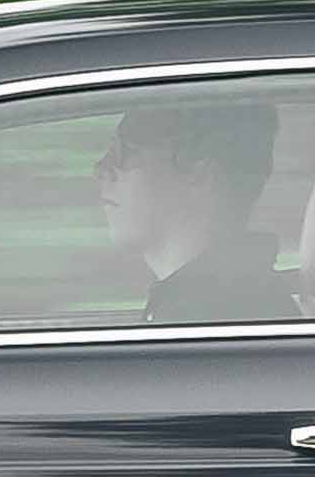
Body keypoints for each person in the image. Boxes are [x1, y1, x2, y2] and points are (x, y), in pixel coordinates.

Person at [98, 96, 296, 325]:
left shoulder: (207, 320)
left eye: (127, 152)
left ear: (200, 174)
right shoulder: (220, 304)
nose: (101, 168)